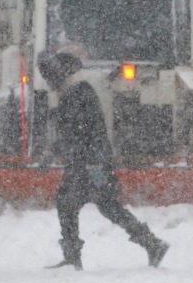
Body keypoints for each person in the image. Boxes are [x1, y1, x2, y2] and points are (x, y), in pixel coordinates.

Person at [37, 51, 169, 271]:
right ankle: (151, 244)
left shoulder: (80, 94)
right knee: (101, 205)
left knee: (87, 204)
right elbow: (70, 135)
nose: (50, 83)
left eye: (52, 78)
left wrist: (95, 163)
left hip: (90, 165)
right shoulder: (70, 96)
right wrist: (51, 152)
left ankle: (74, 256)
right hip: (82, 164)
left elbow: (93, 131)